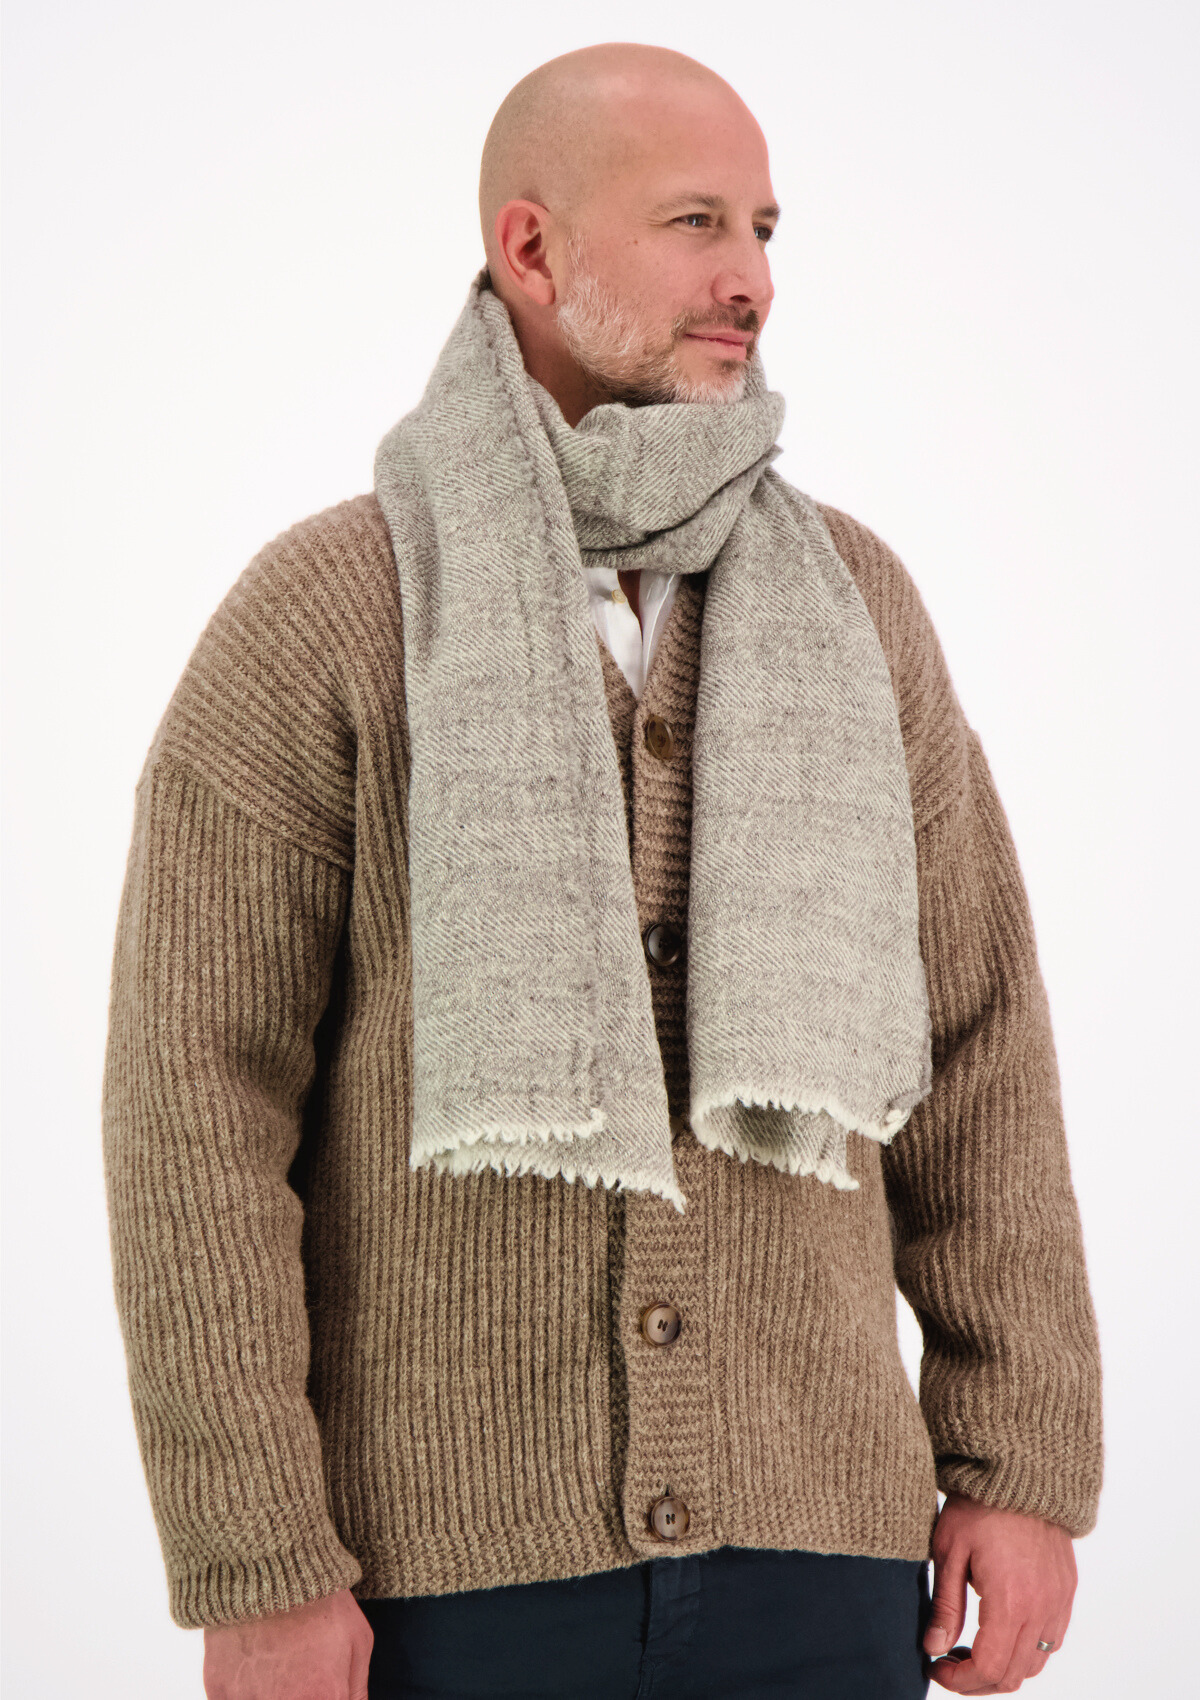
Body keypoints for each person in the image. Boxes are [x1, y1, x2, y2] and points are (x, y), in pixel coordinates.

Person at [101, 41, 1102, 1700]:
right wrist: (259, 1559)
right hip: (443, 1579)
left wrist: (1019, 1461)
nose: (751, 278)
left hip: (825, 1558)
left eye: (765, 229)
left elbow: (979, 1045)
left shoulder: (856, 605)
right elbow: (192, 1113)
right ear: (532, 247)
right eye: (697, 222)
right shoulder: (329, 613)